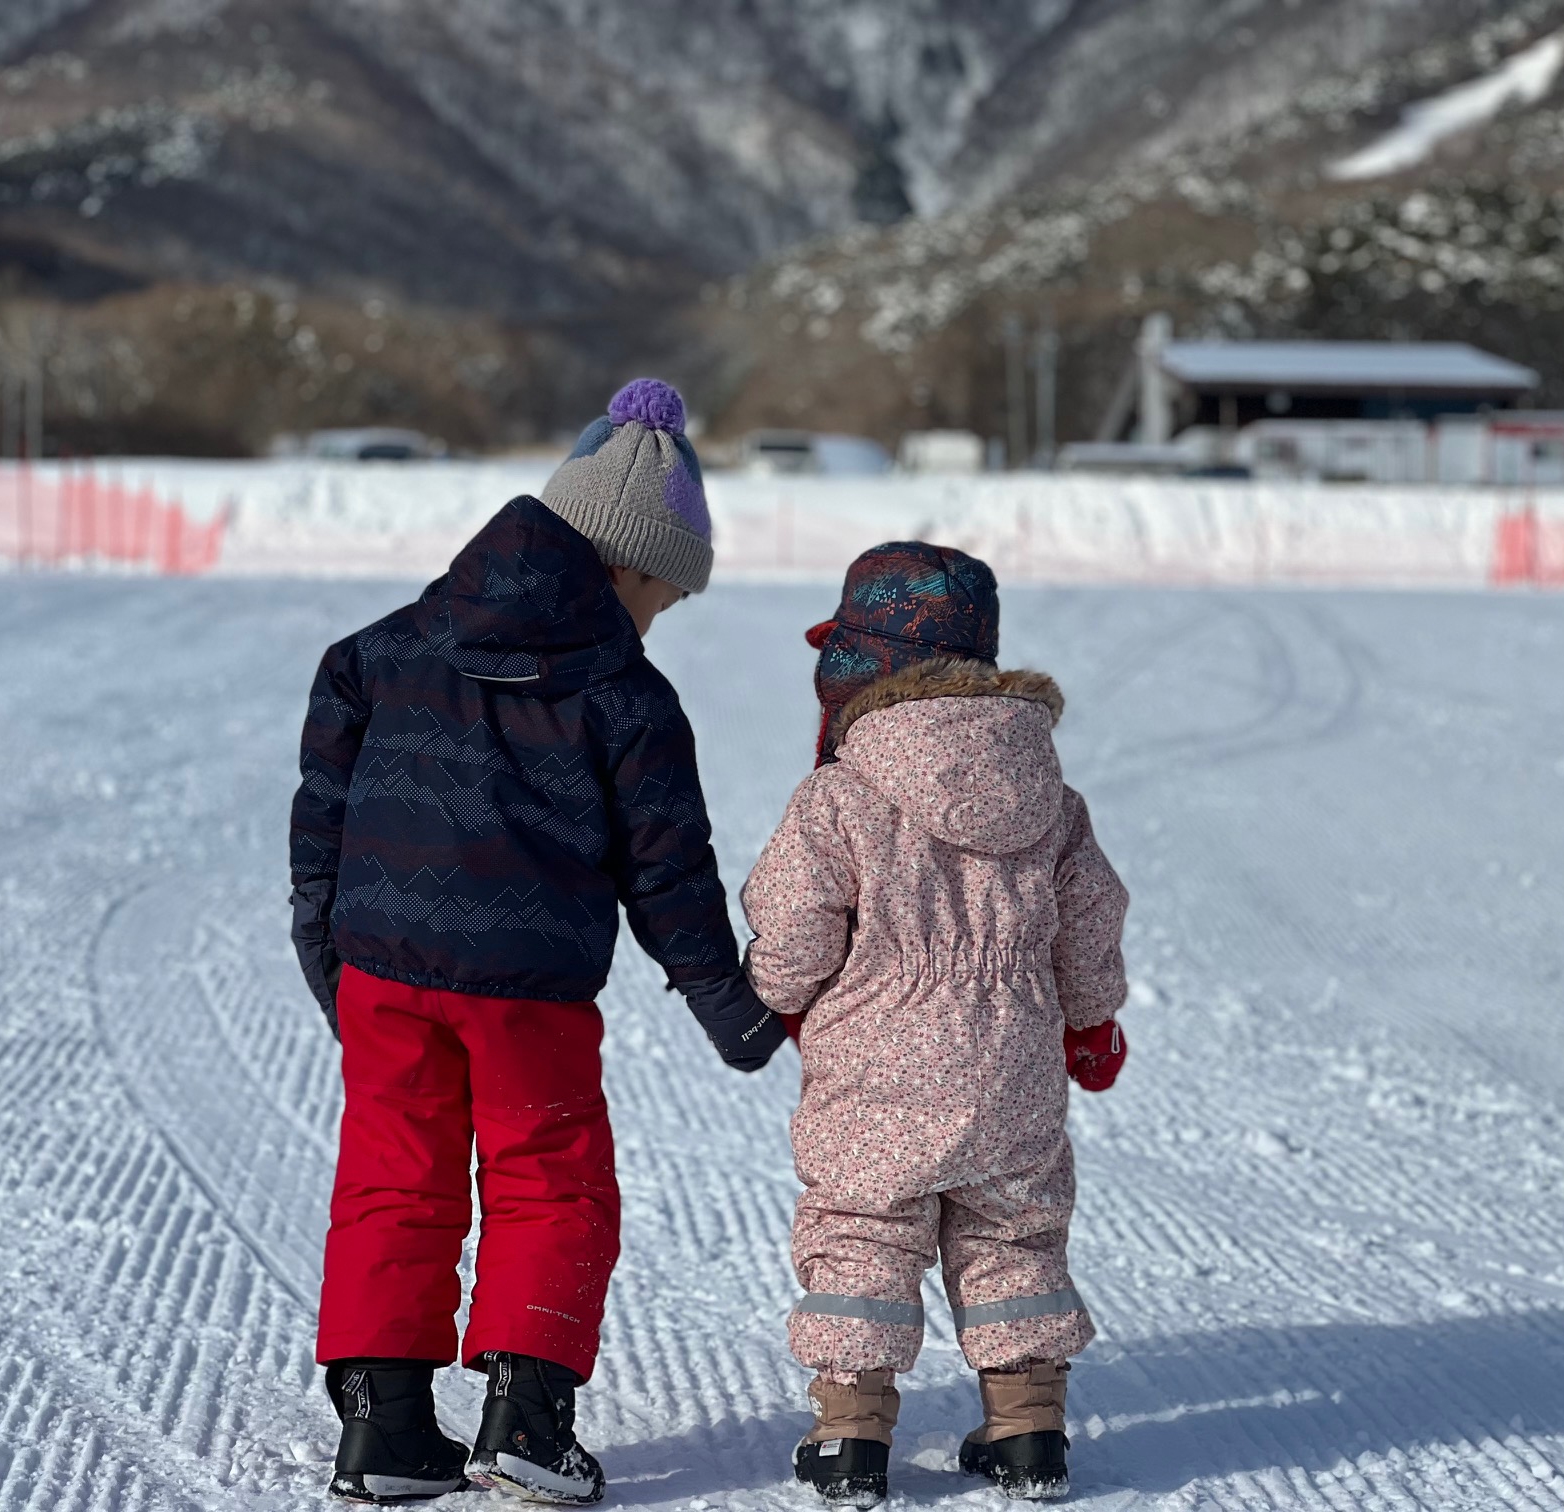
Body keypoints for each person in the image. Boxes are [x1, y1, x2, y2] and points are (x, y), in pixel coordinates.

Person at [288, 378, 787, 1506]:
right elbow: (668, 872)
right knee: (549, 1181)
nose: (658, 619)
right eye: (664, 596)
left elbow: (323, 807)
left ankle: (383, 1428)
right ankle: (527, 1419)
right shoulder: (627, 696)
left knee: (391, 1177)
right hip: (529, 995)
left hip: (384, 972)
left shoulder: (382, 650)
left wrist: (322, 938)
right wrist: (729, 1004)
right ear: (626, 567)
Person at [740, 543, 1131, 1507]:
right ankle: (1029, 1432)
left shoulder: (842, 792)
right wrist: (1091, 1023)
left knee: (865, 1228)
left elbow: (794, 920)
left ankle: (851, 1438)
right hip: (1013, 1058)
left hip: (879, 1060)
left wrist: (779, 992)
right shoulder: (1047, 795)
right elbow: (1090, 916)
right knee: (1014, 1230)